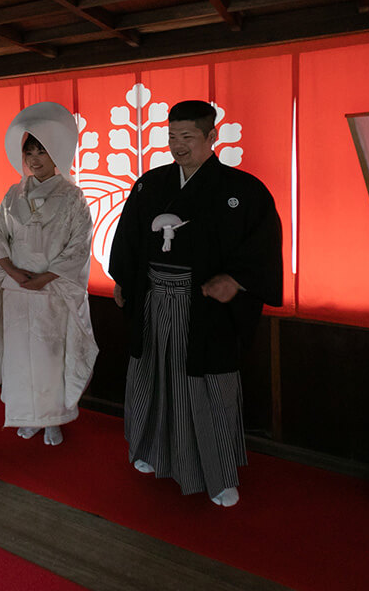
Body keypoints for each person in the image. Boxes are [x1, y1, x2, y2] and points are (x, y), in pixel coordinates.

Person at [108, 100, 282, 508]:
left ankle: (218, 473)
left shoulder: (242, 190)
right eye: (171, 137)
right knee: (152, 375)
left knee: (207, 386)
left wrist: (236, 281)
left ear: (211, 137)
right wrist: (122, 279)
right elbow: (130, 237)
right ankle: (151, 449)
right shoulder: (151, 184)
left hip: (203, 308)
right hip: (153, 300)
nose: (177, 146)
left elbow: (264, 245)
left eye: (187, 137)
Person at [0, 102, 98, 447]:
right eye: (29, 150)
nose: (33, 157)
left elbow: (78, 248)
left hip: (53, 291)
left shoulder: (74, 198)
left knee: (49, 356)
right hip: (16, 289)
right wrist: (13, 271)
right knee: (19, 357)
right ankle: (25, 417)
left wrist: (44, 278)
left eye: (41, 150)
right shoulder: (14, 194)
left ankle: (54, 419)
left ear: (56, 152)